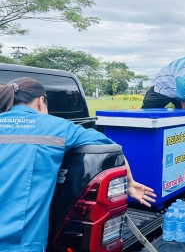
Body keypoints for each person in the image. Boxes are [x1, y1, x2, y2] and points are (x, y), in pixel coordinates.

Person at [0, 77, 157, 252]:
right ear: (41, 101)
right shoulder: (56, 127)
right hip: (20, 244)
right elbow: (113, 149)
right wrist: (129, 183)